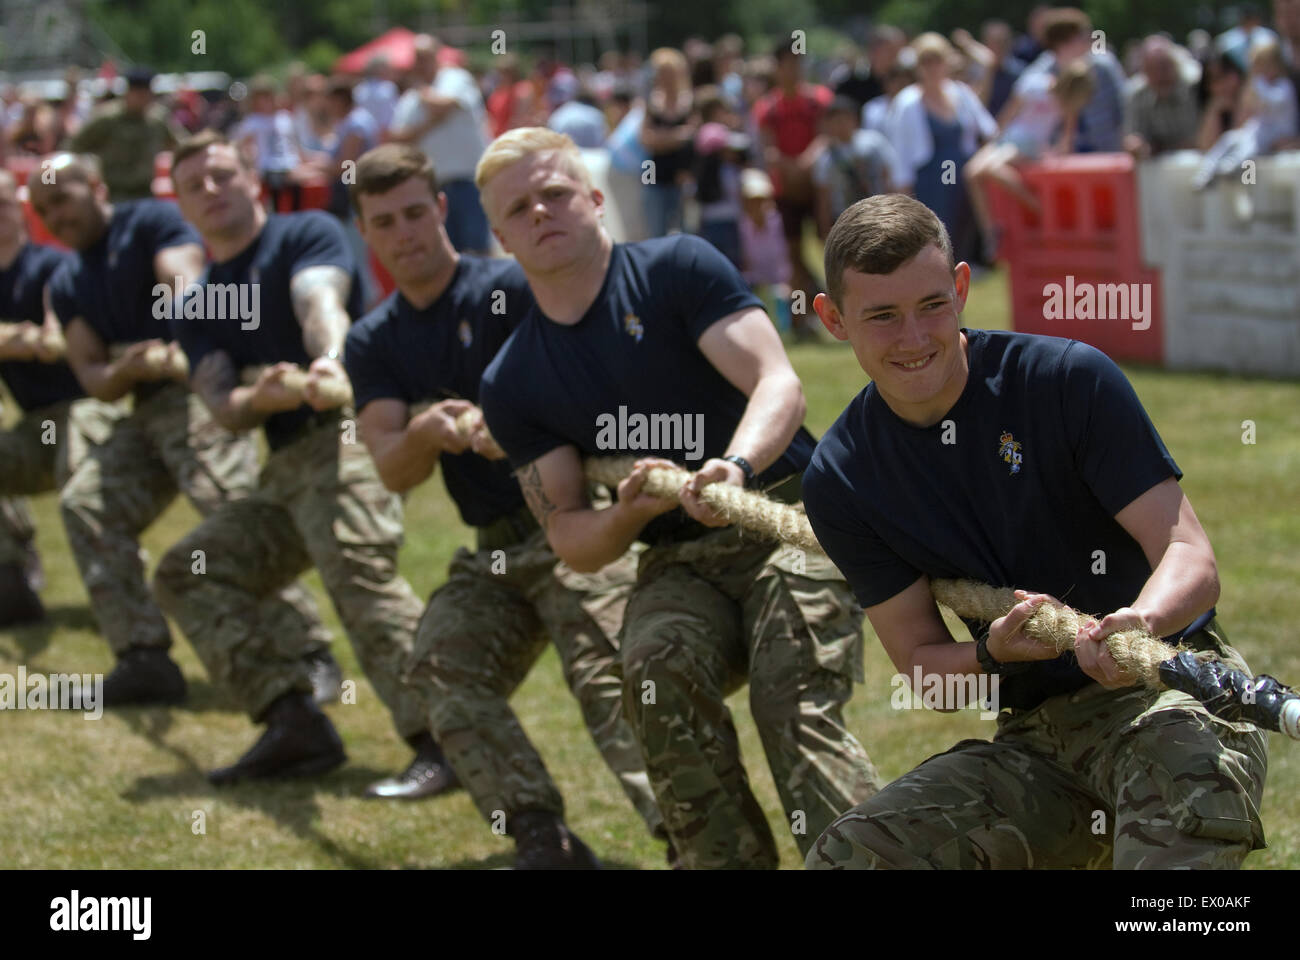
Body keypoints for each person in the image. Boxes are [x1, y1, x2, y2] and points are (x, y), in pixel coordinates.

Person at [804, 194, 1267, 869]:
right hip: (1038, 745)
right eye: (882, 316)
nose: (914, 337)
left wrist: (1141, 620)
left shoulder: (1066, 381)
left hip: (1171, 692)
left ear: (962, 286)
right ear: (833, 319)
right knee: (849, 857)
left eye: (932, 304)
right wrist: (994, 656)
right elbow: (925, 672)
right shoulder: (842, 476)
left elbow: (1189, 555)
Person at [475, 128, 881, 869]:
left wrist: (733, 463)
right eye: (520, 207)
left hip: (789, 518)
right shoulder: (513, 379)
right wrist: (631, 511)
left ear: (596, 200)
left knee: (790, 704)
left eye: (556, 193)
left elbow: (777, 383)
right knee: (655, 677)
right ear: (499, 235)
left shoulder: (676, 268)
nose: (541, 212)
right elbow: (568, 531)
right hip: (675, 561)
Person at [344, 142, 664, 861]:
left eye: (414, 213)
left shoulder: (515, 289)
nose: (404, 234)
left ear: (441, 209)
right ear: (365, 233)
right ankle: (537, 834)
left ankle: (686, 840)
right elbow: (393, 469)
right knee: (441, 665)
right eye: (384, 221)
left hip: (570, 519)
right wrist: (428, 428)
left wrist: (516, 428)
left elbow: (599, 385)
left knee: (613, 685)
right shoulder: (372, 342)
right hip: (495, 545)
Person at [153, 131, 441, 793]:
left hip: (346, 431)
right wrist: (264, 394)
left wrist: (327, 361)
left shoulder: (303, 234)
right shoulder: (196, 305)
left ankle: (447, 737)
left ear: (253, 178)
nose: (212, 190)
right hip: (283, 467)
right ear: (184, 208)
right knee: (187, 574)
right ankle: (293, 723)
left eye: (223, 174)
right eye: (195, 185)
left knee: (357, 574)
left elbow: (321, 303)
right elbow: (223, 406)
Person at [29, 152, 340, 708]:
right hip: (144, 409)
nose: (55, 214)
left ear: (97, 187)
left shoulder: (149, 222)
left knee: (226, 506)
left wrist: (182, 334)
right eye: (44, 207)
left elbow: (185, 283)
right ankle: (142, 655)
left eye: (63, 198)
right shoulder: (68, 279)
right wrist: (125, 369)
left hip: (197, 395)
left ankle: (308, 651)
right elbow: (94, 375)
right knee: (86, 504)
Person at [0, 167, 118, 627]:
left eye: (5, 204)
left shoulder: (54, 267)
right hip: (36, 429)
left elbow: (55, 342)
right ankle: (11, 572)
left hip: (84, 413)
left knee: (86, 498)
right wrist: (18, 340)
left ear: (21, 210)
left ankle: (124, 599)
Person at [886, 33, 996, 264]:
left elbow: (987, 131)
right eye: (926, 62)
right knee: (935, 238)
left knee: (961, 237)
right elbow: (901, 156)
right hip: (931, 182)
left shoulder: (962, 93)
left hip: (963, 180)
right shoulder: (907, 103)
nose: (932, 68)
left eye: (937, 60)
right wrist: (904, 200)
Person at [390, 34, 492, 255]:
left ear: (437, 56)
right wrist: (431, 123)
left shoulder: (455, 77)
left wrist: (423, 99)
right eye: (418, 58)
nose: (421, 63)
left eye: (425, 57)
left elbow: (441, 105)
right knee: (447, 254)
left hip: (468, 181)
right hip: (434, 187)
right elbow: (397, 137)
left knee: (478, 252)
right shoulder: (411, 97)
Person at [70, 68, 184, 200]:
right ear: (128, 93)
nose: (143, 99)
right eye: (139, 94)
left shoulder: (157, 120)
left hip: (145, 193)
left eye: (147, 94)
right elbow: (74, 146)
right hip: (114, 195)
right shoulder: (107, 119)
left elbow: (181, 146)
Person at [812, 95, 902, 239]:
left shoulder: (874, 143)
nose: (842, 124)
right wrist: (824, 229)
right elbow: (824, 197)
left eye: (845, 119)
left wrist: (895, 209)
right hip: (845, 220)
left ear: (855, 119)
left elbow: (888, 176)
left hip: (878, 213)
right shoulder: (825, 157)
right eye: (836, 121)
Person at [639, 47, 696, 238]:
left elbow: (693, 136)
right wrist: (676, 137)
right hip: (654, 175)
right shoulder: (651, 103)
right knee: (656, 231)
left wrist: (663, 137)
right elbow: (646, 139)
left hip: (683, 176)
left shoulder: (689, 102)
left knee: (686, 230)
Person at [1124, 35, 1201, 157]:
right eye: (1152, 69)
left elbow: (1200, 140)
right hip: (1156, 172)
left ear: (1176, 65)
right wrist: (1137, 146)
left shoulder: (1195, 88)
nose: (1160, 75)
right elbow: (1133, 137)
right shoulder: (1137, 95)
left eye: (1164, 67)